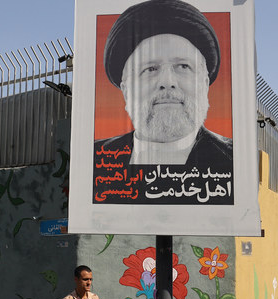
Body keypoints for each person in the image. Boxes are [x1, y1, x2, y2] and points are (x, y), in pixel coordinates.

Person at [93, 0, 233, 205]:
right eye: (150, 69)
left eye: (183, 66)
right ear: (125, 91)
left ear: (205, 84)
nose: (168, 83)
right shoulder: (96, 159)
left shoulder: (233, 161)